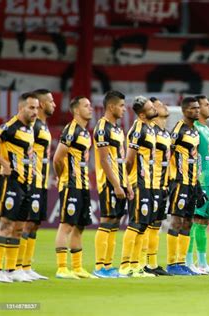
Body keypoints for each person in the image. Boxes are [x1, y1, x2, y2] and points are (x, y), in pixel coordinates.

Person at [93, 91, 134, 278]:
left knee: (115, 223)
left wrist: (127, 184)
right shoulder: (102, 128)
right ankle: (100, 266)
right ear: (111, 107)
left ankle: (108, 266)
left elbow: (120, 160)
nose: (124, 109)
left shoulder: (117, 129)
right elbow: (103, 161)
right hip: (109, 183)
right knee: (107, 221)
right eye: (122, 106)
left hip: (120, 182)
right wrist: (116, 185)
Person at [53, 96, 95, 279]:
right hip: (71, 184)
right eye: (86, 106)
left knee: (80, 226)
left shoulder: (85, 133)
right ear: (77, 110)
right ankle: (62, 268)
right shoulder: (71, 130)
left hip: (83, 184)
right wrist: (62, 175)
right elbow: (57, 158)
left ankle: (77, 268)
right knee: (66, 226)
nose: (91, 108)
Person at [0, 92, 38, 283]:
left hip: (26, 182)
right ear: (20, 108)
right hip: (11, 182)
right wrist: (3, 164)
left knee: (19, 227)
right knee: (6, 224)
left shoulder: (30, 130)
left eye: (37, 108)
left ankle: (12, 269)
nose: (35, 112)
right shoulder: (10, 127)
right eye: (31, 107)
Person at [119, 96, 157, 278]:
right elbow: (128, 160)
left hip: (148, 182)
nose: (154, 109)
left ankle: (137, 266)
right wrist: (127, 182)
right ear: (142, 114)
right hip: (138, 183)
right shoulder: (137, 130)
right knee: (135, 223)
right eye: (151, 108)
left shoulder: (149, 129)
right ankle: (125, 265)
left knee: (143, 224)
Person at [20, 89, 56, 281]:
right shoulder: (32, 126)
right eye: (51, 101)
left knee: (34, 223)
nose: (54, 104)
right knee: (25, 222)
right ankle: (15, 266)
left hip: (41, 181)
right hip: (31, 181)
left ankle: (26, 266)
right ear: (42, 104)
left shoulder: (43, 126)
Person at [166, 97, 203, 276]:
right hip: (179, 182)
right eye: (193, 109)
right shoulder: (178, 130)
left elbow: (194, 159)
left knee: (189, 221)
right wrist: (167, 181)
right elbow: (167, 155)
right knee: (177, 220)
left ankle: (181, 262)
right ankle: (171, 263)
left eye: (198, 108)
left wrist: (198, 184)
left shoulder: (195, 131)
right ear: (184, 111)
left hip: (191, 183)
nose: (197, 111)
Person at [185, 95, 209, 275]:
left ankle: (202, 262)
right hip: (198, 182)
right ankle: (188, 261)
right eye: (207, 105)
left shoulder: (206, 129)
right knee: (193, 221)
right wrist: (196, 182)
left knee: (204, 222)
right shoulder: (194, 130)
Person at [140, 98, 173, 276]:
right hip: (149, 184)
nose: (164, 105)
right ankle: (141, 262)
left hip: (162, 184)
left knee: (156, 224)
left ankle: (152, 264)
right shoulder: (149, 131)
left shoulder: (165, 133)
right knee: (146, 223)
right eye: (159, 104)